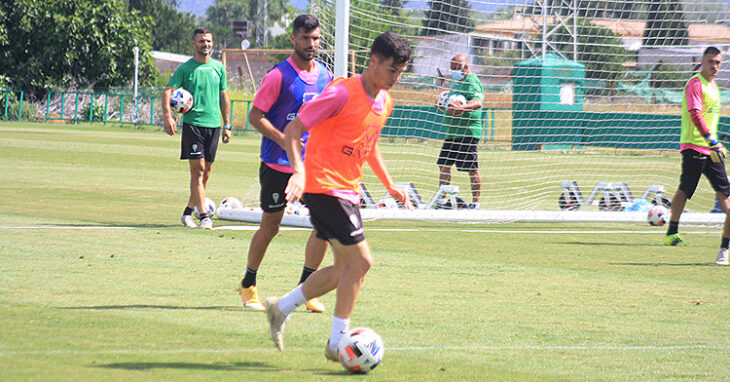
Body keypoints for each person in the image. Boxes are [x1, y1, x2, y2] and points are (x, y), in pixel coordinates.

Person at [263, 31, 412, 360]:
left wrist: (389, 186)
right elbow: (293, 131)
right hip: (322, 186)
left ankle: (280, 307)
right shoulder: (342, 92)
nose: (395, 78)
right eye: (391, 70)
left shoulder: (384, 101)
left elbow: (368, 145)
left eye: (401, 73)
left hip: (348, 191)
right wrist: (299, 172)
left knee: (346, 268)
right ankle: (337, 343)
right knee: (362, 262)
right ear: (373, 61)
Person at [238, 14, 333, 312]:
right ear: (293, 39)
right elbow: (255, 117)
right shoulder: (278, 76)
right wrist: (283, 140)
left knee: (326, 225)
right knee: (271, 226)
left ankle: (307, 290)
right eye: (305, 38)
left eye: (316, 38)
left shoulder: (325, 76)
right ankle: (248, 284)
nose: (311, 44)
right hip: (278, 164)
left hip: (312, 166)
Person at [664, 46, 729, 266]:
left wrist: (715, 143)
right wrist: (712, 141)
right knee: (686, 189)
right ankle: (672, 232)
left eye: (718, 62)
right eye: (711, 61)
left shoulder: (714, 87)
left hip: (711, 149)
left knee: (725, 196)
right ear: (702, 61)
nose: (714, 66)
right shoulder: (695, 83)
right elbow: (695, 114)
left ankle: (724, 249)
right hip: (694, 147)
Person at [162, 27, 231, 230]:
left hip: (214, 125)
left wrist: (227, 125)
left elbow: (224, 97)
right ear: (194, 44)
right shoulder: (185, 69)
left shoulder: (218, 68)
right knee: (198, 172)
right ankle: (204, 216)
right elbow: (168, 91)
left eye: (208, 41)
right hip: (193, 125)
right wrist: (169, 116)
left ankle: (186, 213)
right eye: (201, 41)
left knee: (206, 173)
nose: (206, 45)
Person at [435, 54, 484, 210]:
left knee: (471, 169)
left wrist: (461, 108)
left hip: (467, 133)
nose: (454, 72)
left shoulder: (473, 82)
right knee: (443, 165)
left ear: (466, 67)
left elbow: (477, 102)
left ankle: (475, 203)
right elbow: (451, 99)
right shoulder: (457, 82)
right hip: (452, 133)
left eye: (457, 69)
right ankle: (442, 200)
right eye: (452, 69)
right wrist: (441, 101)